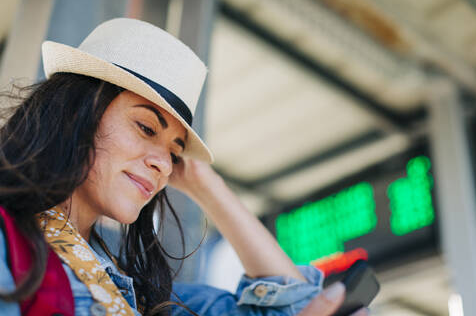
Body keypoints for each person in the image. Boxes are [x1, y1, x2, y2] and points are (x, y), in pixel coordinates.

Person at [0, 18, 368, 316]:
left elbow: (297, 307)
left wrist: (205, 185)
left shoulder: (146, 299)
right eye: (146, 128)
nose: (163, 164)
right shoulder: (9, 242)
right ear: (76, 112)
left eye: (175, 153)